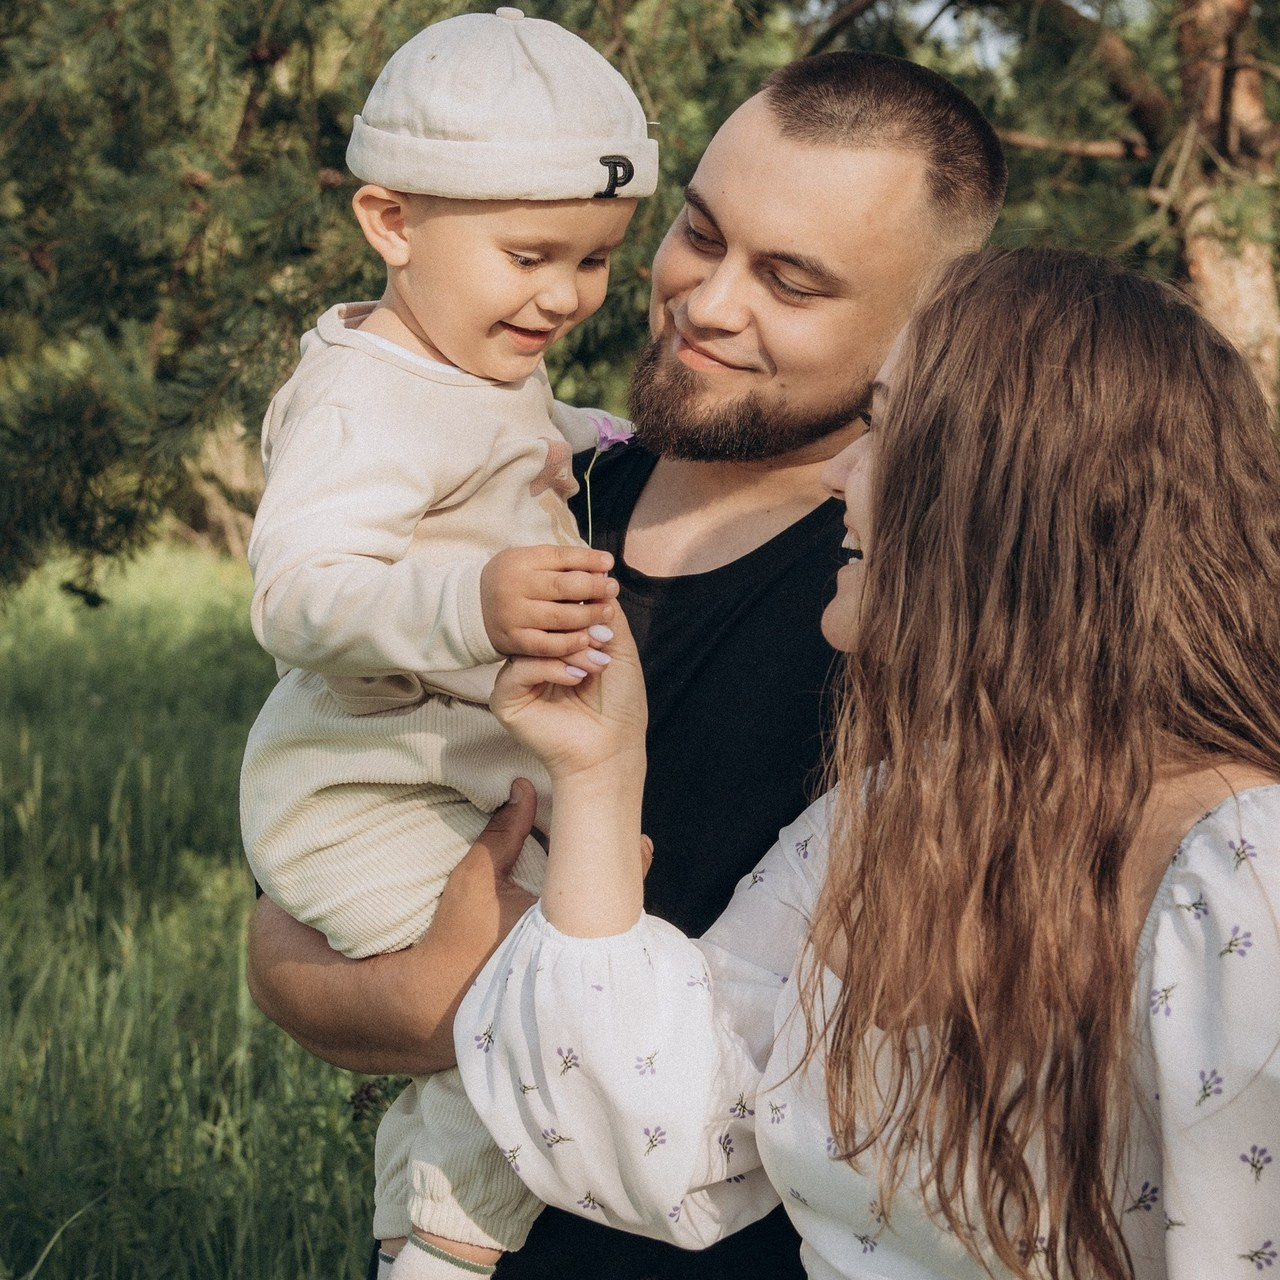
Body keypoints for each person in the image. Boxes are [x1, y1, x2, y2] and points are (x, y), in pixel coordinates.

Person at [245, 52, 1007, 1279]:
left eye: (789, 282)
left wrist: (467, 996)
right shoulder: (526, 496)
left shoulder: (909, 607)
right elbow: (292, 917)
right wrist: (406, 996)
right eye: (698, 236)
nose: (703, 303)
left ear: (927, 324)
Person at [464, 245, 1280, 1280]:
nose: (841, 471)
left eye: (884, 428)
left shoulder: (1242, 873)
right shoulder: (887, 810)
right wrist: (596, 771)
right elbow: (662, 1141)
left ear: (1009, 490)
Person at [239, 10, 658, 1277]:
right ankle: (434, 1247)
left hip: (444, 772)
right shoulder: (360, 401)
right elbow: (297, 592)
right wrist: (469, 601)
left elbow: (504, 433)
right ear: (391, 223)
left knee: (545, 982)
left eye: (593, 260)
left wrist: (598, 433)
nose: (565, 294)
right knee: (524, 999)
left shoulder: (467, 351)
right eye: (533, 253)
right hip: (360, 787)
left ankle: (440, 1213)